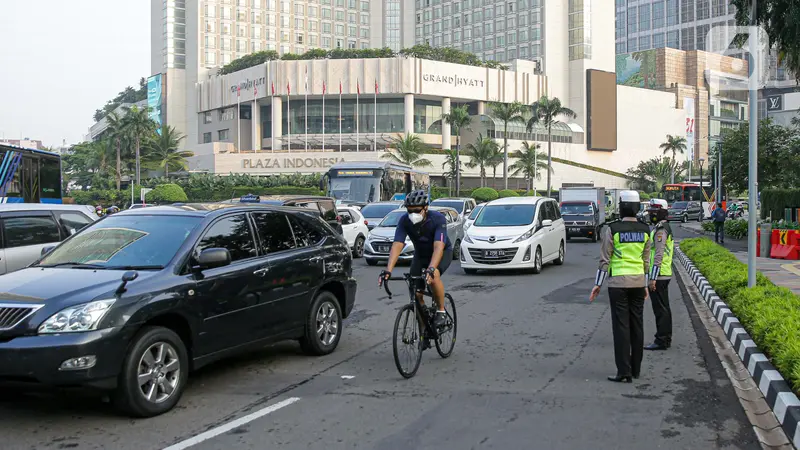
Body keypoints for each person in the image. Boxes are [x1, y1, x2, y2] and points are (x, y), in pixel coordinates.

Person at [590, 190, 651, 383]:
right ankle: (636, 369)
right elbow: (646, 260)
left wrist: (597, 284)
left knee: (621, 327)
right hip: (639, 282)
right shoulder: (645, 229)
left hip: (618, 284)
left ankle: (623, 371)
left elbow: (604, 260)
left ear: (621, 206)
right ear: (638, 207)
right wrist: (646, 285)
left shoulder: (612, 229)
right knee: (637, 325)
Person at [379, 189, 452, 335]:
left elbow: (438, 247)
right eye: (409, 210)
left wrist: (431, 269)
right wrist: (388, 270)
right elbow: (397, 244)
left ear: (426, 208)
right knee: (416, 297)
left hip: (442, 253)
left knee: (434, 275)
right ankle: (424, 330)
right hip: (420, 255)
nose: (412, 214)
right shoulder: (404, 221)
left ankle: (441, 311)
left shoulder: (437, 219)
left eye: (417, 210)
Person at [645, 205, 674, 351]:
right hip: (663, 273)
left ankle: (662, 340)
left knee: (660, 309)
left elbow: (659, 254)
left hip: (660, 274)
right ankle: (665, 338)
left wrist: (653, 278)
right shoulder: (663, 227)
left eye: (652, 213)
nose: (650, 215)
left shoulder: (661, 230)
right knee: (664, 308)